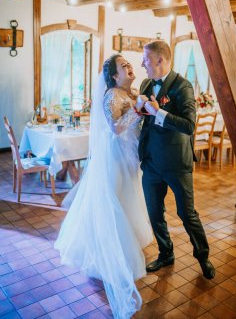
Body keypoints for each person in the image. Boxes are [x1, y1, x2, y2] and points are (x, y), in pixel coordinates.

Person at [55, 54, 153, 319]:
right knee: (114, 202)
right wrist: (137, 110)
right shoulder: (112, 95)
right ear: (114, 75)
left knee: (128, 199)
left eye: (130, 64)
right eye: (124, 66)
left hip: (131, 157)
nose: (130, 68)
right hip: (115, 157)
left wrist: (141, 106)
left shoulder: (131, 91)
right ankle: (110, 251)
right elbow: (115, 128)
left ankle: (124, 242)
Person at [138, 40, 215, 280]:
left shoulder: (183, 87)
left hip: (175, 163)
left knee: (187, 213)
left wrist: (157, 112)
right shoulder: (146, 83)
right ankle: (165, 253)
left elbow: (189, 126)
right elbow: (145, 121)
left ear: (161, 60)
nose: (143, 63)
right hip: (150, 161)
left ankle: (203, 256)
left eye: (147, 59)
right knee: (154, 212)